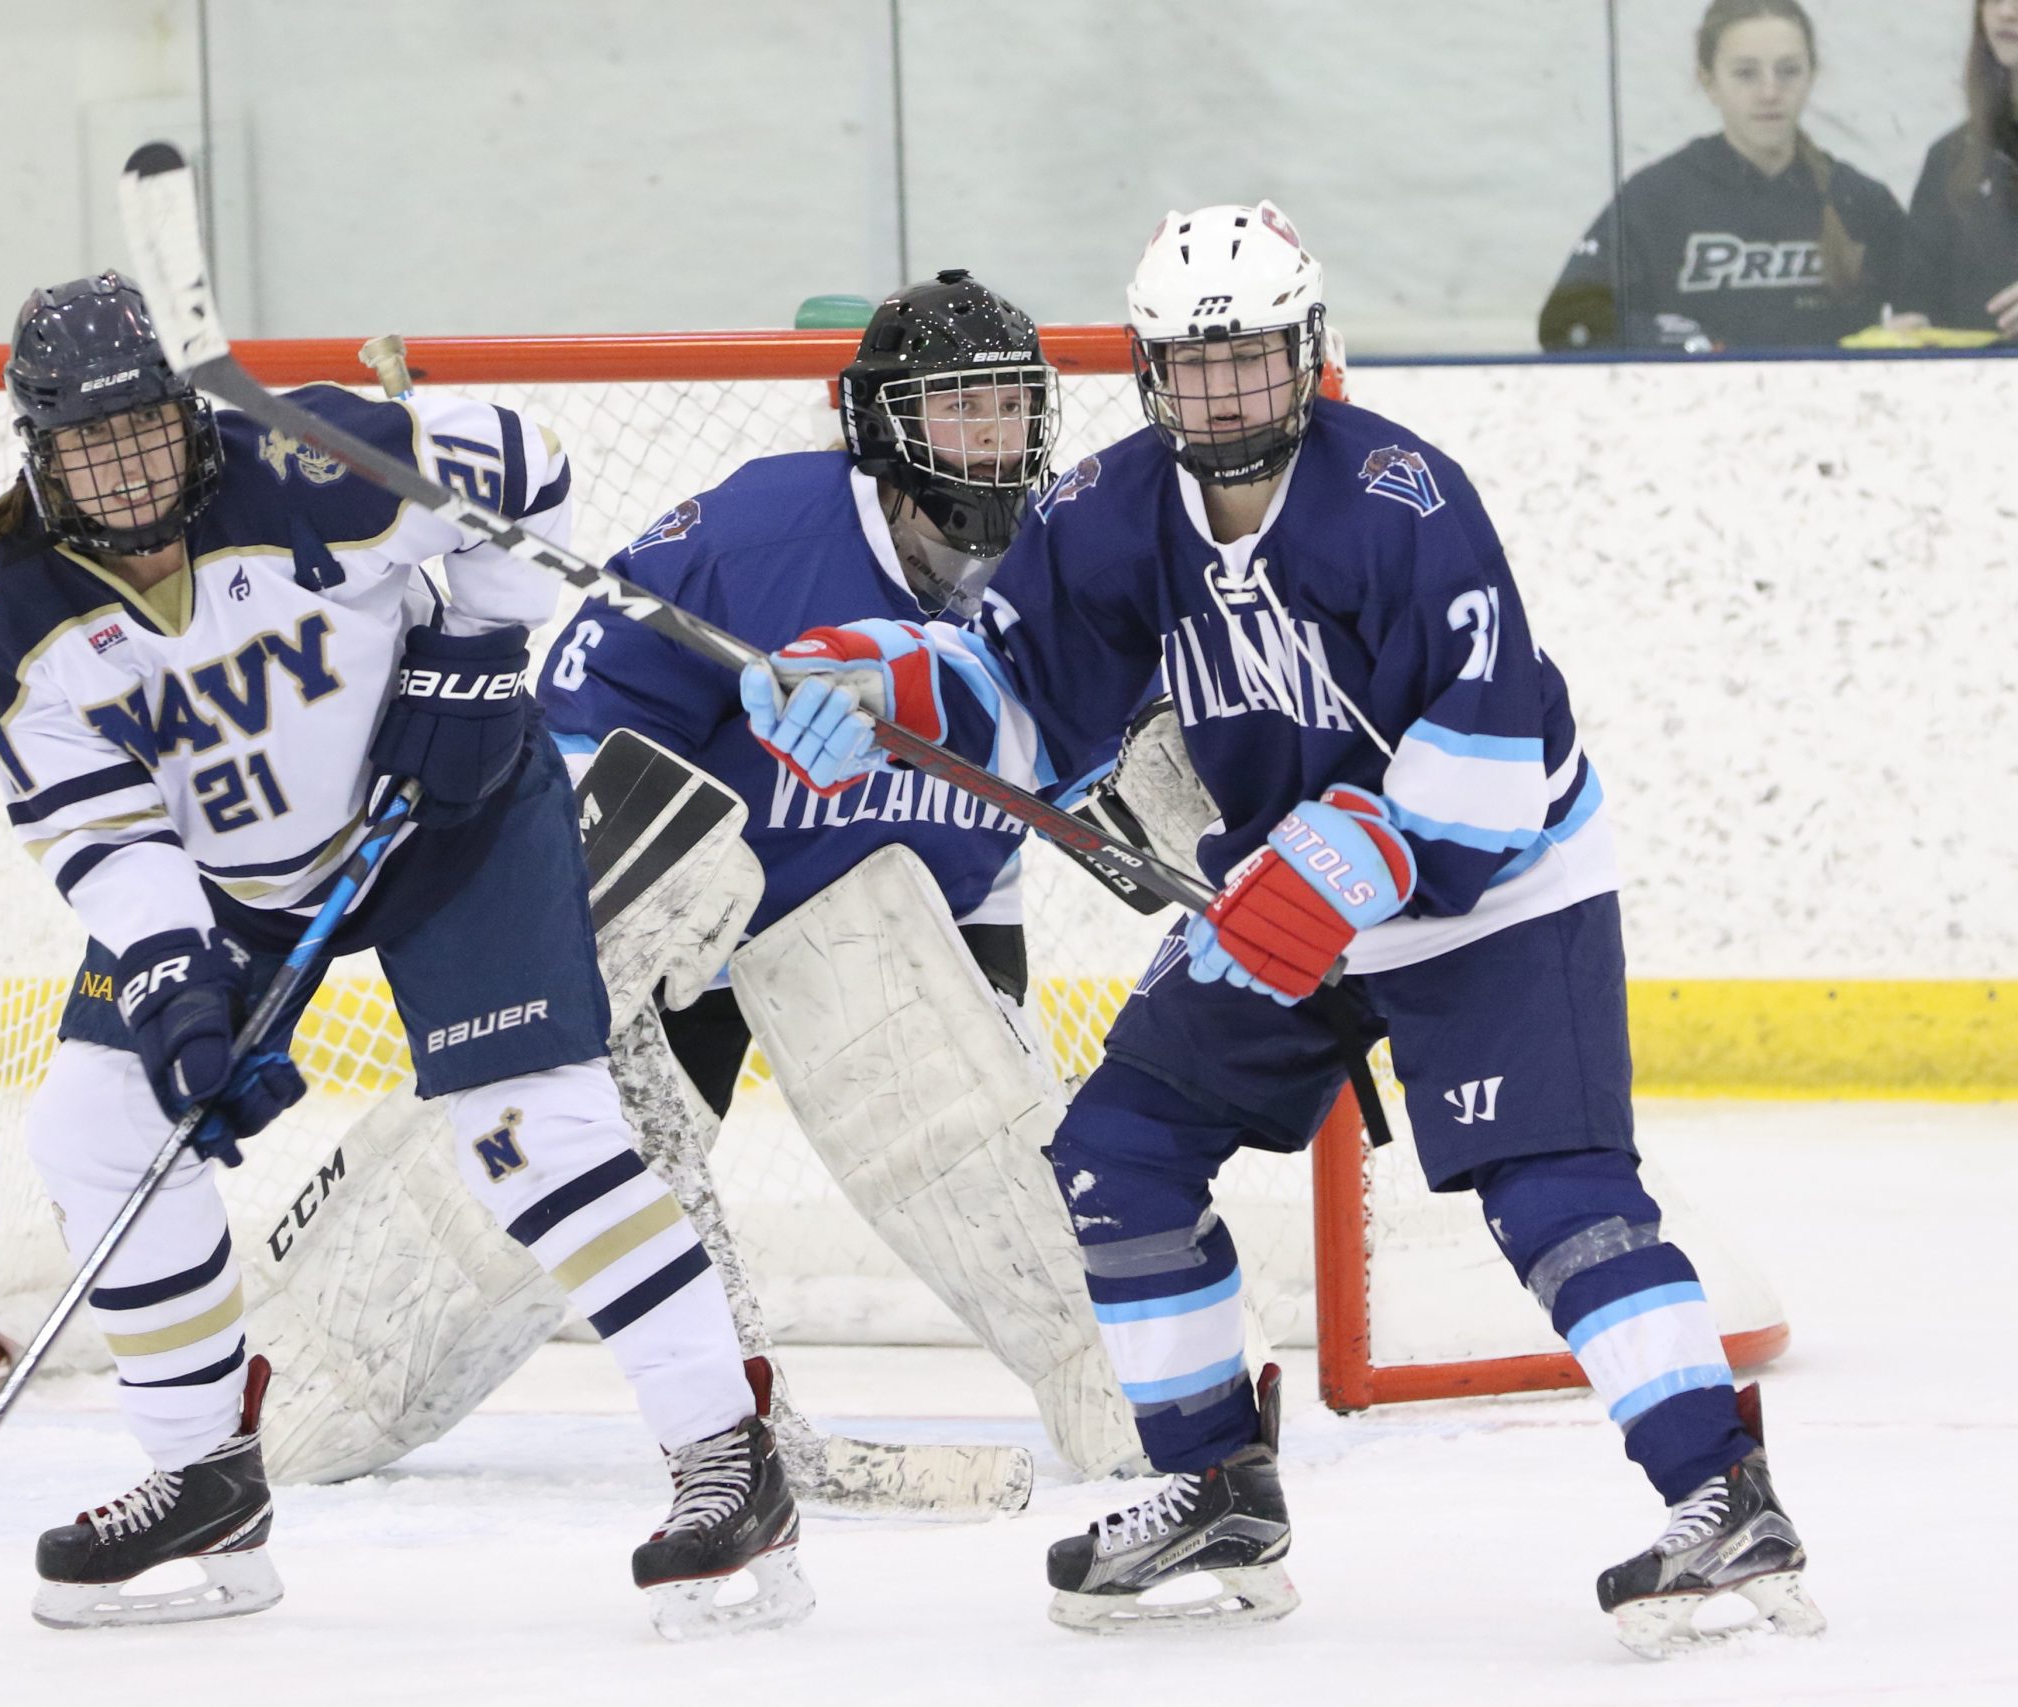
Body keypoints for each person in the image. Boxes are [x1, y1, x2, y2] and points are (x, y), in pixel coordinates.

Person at [742, 203, 1823, 1656]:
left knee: (1555, 1193)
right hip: (1283, 897)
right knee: (1117, 1156)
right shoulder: (1113, 513)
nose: (1225, 395)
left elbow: (1494, 751)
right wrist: (887, 688)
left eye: (1253, 360)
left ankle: (1722, 1491)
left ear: (1307, 353)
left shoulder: (1404, 499)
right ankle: (1212, 1488)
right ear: (1145, 371)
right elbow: (1023, 704)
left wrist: (1354, 850)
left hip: (1494, 889)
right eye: (1194, 366)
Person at [0, 272, 809, 1639]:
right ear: (38, 460)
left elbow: (527, 467)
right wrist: (173, 980)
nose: (126, 469)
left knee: (534, 1133)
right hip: (227, 885)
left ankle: (723, 1455)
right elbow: (102, 828)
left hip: (453, 823)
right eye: (87, 446)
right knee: (98, 1124)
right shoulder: (6, 622)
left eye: (147, 430)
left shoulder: (311, 457)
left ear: (187, 416)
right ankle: (202, 1470)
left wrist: (472, 641)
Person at [534, 270, 1147, 1479]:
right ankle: (714, 1411)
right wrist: (611, 881)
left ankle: (1139, 1386)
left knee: (1002, 1160)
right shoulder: (761, 533)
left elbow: (1078, 745)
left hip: (942, 895)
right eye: (957, 407)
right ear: (881, 425)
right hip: (717, 910)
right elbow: (581, 691)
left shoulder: (1067, 554)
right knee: (614, 1161)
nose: (992, 438)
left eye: (1010, 408)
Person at [1539, 0, 1906, 351]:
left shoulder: (1860, 202)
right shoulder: (1657, 199)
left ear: (1812, 75)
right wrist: (1686, 346)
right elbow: (1566, 323)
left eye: (1789, 70)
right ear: (1709, 82)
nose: (1769, 92)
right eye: (1746, 73)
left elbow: (1935, 311)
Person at [1895, 0, 2018, 337]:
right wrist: (1914, 328)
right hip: (1975, 385)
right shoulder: (1948, 158)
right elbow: (1916, 298)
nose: (2006, 12)